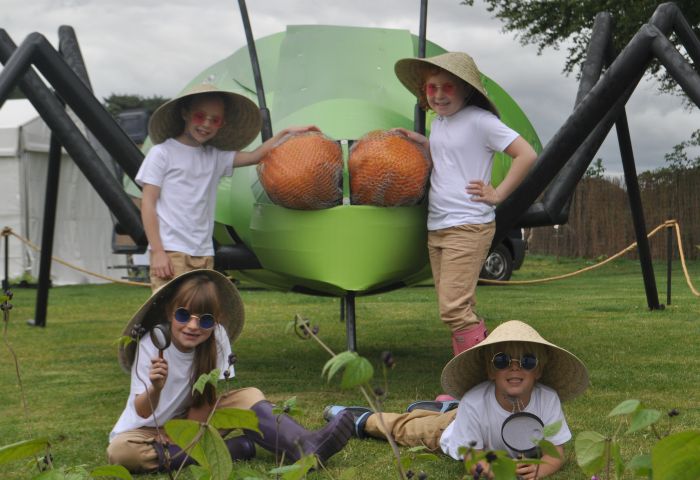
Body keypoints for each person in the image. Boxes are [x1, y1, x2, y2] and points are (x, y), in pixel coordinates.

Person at [107, 269, 353, 473]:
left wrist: (184, 434)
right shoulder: (153, 342)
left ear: (216, 320)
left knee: (249, 396)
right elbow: (142, 410)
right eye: (184, 315)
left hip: (191, 420)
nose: (193, 326)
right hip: (144, 431)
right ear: (171, 312)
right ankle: (233, 450)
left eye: (204, 320)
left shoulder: (217, 337)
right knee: (119, 452)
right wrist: (156, 387)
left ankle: (305, 446)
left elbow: (207, 399)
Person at [392, 52, 538, 365]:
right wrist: (420, 140)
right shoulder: (441, 122)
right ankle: (477, 375)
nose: (440, 95)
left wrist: (497, 193)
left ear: (466, 89)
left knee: (453, 308)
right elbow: (448, 153)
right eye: (432, 88)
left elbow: (526, 154)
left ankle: (479, 373)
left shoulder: (481, 121)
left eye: (448, 87)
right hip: (439, 226)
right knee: (458, 305)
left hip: (468, 224)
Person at [324, 320, 589, 479]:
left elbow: (557, 453)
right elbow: (471, 456)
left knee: (443, 415)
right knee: (405, 429)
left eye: (527, 361)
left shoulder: (548, 399)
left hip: (462, 416)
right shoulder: (475, 401)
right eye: (502, 361)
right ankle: (356, 417)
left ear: (539, 370)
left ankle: (442, 407)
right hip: (450, 430)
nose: (515, 368)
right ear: (490, 370)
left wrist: (541, 469)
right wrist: (489, 470)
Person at [137, 80, 318, 291]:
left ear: (221, 124)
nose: (206, 124)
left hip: (203, 252)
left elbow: (255, 156)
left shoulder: (214, 158)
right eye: (200, 116)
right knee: (171, 316)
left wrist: (285, 133)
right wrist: (158, 252)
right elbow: (148, 204)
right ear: (185, 113)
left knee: (198, 316)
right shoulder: (162, 153)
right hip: (171, 251)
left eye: (214, 120)